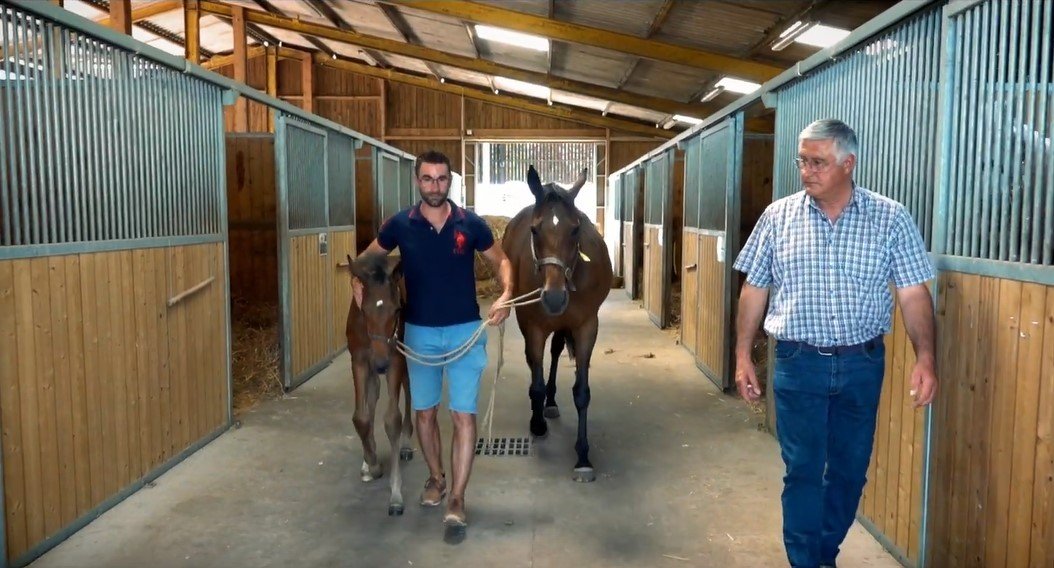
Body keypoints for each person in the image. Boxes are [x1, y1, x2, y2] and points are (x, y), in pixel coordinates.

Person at [732, 119, 938, 568]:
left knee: (849, 471)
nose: (807, 171)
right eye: (802, 161)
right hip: (797, 362)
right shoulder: (778, 217)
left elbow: (913, 293)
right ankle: (806, 561)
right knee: (803, 470)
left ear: (848, 164)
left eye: (818, 162)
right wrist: (743, 354)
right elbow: (754, 288)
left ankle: (824, 553)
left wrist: (926, 357)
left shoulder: (890, 218)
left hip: (862, 364)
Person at [361, 150, 513, 528]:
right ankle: (436, 477)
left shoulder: (470, 224)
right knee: (425, 413)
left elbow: (501, 260)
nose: (434, 186)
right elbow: (366, 261)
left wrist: (506, 294)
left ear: (450, 181)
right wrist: (360, 290)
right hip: (419, 335)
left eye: (441, 179)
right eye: (427, 179)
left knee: (463, 415)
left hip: (465, 331)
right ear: (418, 181)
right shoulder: (399, 225)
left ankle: (457, 497)